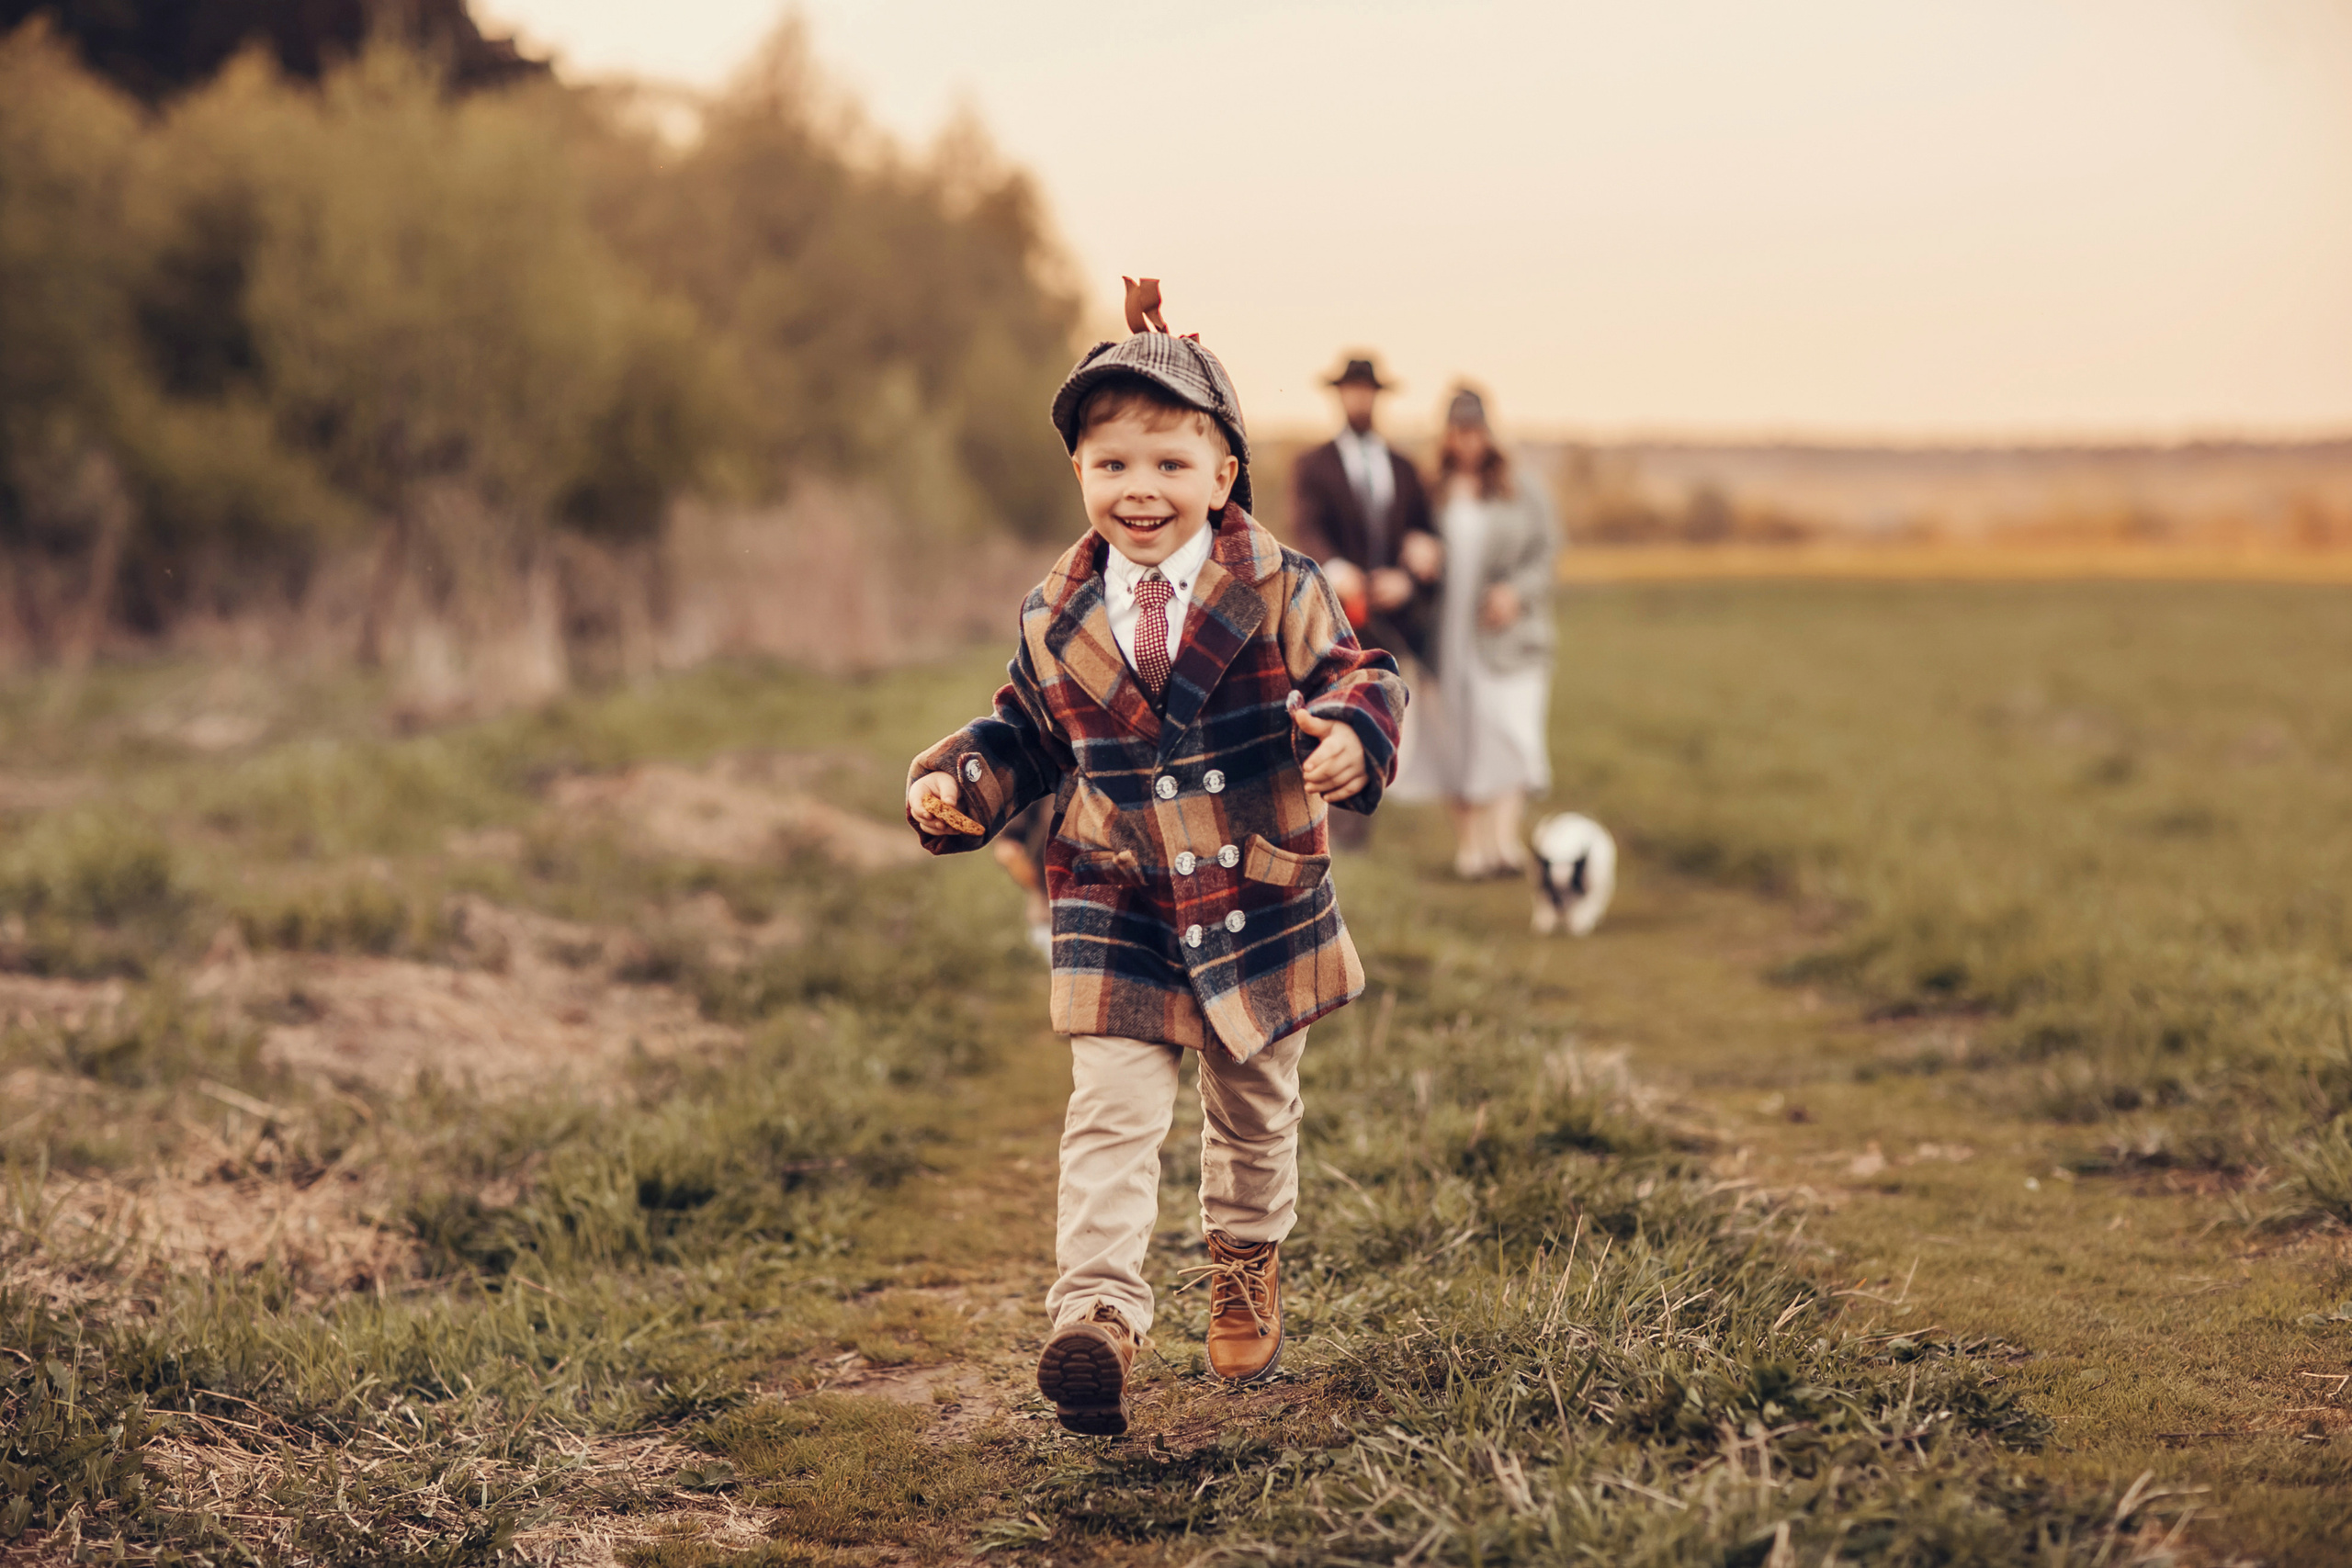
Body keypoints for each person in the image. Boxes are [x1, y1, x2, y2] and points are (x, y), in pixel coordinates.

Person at [903, 280, 1406, 1438]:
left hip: (1254, 889)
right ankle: (1097, 1318)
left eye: (1171, 466)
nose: (1141, 490)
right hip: (1116, 891)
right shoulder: (1055, 610)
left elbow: (1357, 671)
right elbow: (1027, 732)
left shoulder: (1280, 586)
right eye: (1112, 463)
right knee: (1112, 1112)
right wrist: (963, 785)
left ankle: (1241, 1263)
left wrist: (1348, 734)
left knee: (1252, 1106)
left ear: (1222, 473)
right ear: (1079, 470)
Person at [1395, 387, 1560, 878]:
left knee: (1507, 732)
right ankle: (1471, 847)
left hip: (1505, 640)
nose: (1467, 441)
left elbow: (1546, 553)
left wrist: (1515, 593)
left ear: (1489, 434)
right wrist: (1414, 551)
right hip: (1445, 637)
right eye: (1458, 431)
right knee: (1454, 739)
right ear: (1446, 435)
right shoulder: (1427, 492)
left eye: (1476, 431)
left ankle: (1503, 841)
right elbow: (1400, 539)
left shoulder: (1521, 489)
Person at [1288, 356, 1443, 849]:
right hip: (1336, 615)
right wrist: (1336, 569)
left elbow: (1426, 539)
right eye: (1351, 391)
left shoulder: (1404, 468)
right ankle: (1335, 833)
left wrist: (1407, 581)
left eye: (1367, 391)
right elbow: (1306, 527)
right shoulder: (1312, 466)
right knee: (1334, 709)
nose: (1359, 399)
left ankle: (1363, 821)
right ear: (1340, 396)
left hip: (1392, 618)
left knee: (1383, 712)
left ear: (1377, 397)